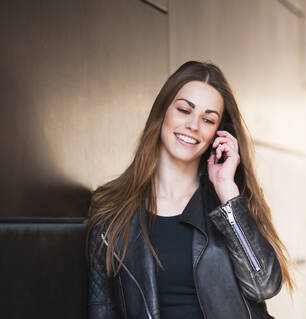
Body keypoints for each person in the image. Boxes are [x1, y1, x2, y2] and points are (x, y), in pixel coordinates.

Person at [86, 60, 294, 319]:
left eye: (208, 119)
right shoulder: (110, 211)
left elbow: (264, 285)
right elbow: (102, 310)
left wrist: (226, 188)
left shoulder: (230, 204)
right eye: (184, 110)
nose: (193, 125)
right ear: (163, 112)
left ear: (218, 133)